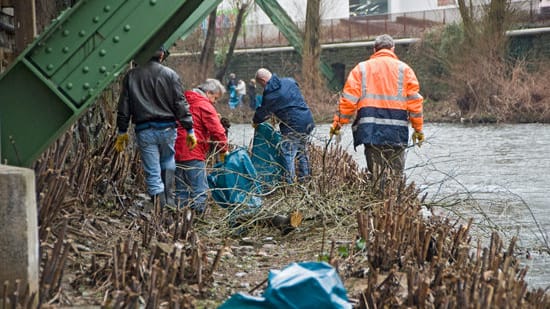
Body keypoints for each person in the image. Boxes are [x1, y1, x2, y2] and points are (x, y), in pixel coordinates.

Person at [330, 34, 424, 180]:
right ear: (393, 49)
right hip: (396, 131)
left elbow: (348, 102)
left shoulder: (361, 69)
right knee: (395, 177)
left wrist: (337, 125)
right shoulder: (405, 70)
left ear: (374, 49)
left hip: (370, 130)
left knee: (376, 176)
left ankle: (378, 200)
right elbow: (415, 103)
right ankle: (394, 201)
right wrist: (418, 129)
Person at [115, 46, 197, 208]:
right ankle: (169, 199)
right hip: (168, 129)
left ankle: (158, 205)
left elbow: (124, 106)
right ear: (161, 56)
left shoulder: (131, 76)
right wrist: (189, 129)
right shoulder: (170, 74)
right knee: (168, 161)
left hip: (144, 129)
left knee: (152, 169)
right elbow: (180, 104)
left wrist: (122, 130)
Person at [175, 78, 228, 214]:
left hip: (175, 150)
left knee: (181, 190)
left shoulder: (183, 99)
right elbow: (218, 131)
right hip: (193, 151)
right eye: (215, 98)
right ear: (209, 92)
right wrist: (224, 150)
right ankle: (199, 218)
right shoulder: (204, 105)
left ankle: (180, 220)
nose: (214, 102)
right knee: (200, 190)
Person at [253, 68, 315, 183]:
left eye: (260, 84)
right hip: (307, 119)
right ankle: (305, 181)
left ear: (262, 80)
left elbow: (263, 114)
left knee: (288, 154)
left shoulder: (270, 94)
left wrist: (255, 121)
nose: (262, 87)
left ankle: (290, 184)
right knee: (302, 152)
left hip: (293, 125)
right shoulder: (290, 81)